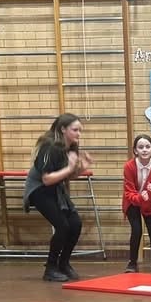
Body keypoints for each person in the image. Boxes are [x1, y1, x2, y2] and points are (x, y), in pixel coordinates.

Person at [24, 113, 93, 282]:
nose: (79, 134)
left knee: (75, 224)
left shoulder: (72, 146)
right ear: (63, 129)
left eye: (80, 130)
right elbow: (46, 179)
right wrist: (70, 168)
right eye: (75, 130)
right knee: (62, 226)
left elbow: (67, 176)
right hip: (39, 189)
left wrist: (80, 169)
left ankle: (63, 263)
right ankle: (50, 268)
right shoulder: (50, 146)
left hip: (55, 188)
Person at [122, 133, 151, 273]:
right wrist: (140, 198)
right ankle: (132, 263)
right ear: (135, 150)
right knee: (136, 230)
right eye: (141, 147)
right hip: (133, 203)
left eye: (148, 147)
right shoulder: (129, 166)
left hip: (150, 204)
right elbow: (128, 192)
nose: (144, 150)